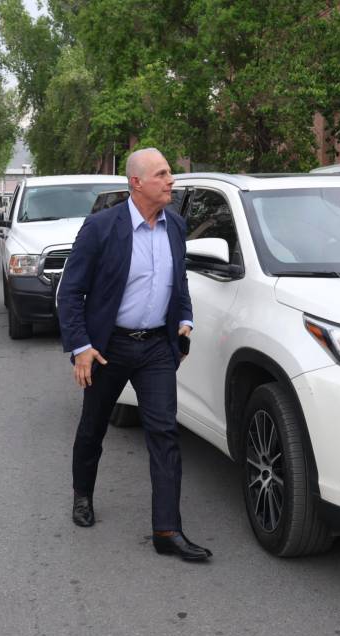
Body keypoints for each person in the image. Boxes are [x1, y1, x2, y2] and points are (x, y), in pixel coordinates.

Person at [56, 148, 209, 562]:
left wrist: (185, 319)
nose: (171, 180)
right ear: (137, 182)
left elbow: (179, 281)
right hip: (109, 348)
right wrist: (82, 347)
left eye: (169, 173)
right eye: (162, 174)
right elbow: (70, 292)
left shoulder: (175, 226)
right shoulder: (101, 227)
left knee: (164, 434)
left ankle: (167, 530)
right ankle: (82, 494)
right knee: (93, 428)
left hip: (157, 347)